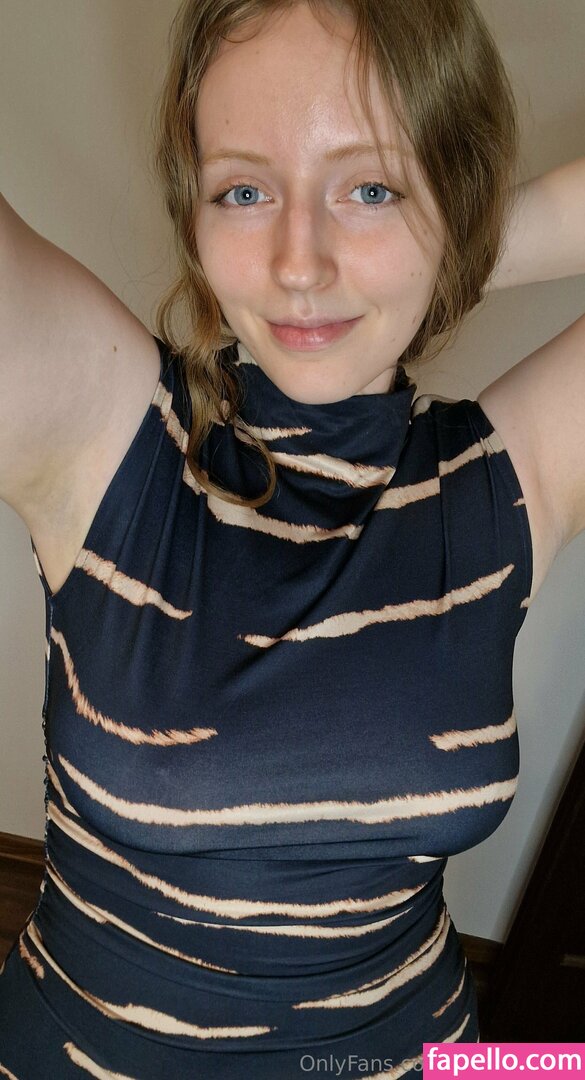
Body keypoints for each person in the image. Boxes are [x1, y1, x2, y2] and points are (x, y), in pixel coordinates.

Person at [0, 0, 583, 1076]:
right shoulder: (112, 438)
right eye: (244, 190)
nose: (299, 263)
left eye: (370, 188)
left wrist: (452, 246)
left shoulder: (506, 481)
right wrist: (406, 237)